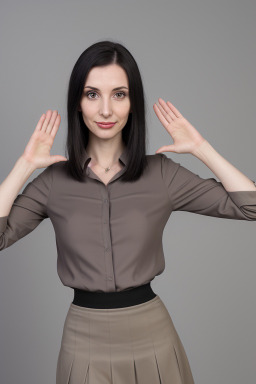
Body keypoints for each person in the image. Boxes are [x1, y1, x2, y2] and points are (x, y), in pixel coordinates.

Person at [0, 40, 256, 384]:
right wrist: (24, 165)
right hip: (83, 340)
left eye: (119, 94)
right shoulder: (53, 182)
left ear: (133, 103)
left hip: (152, 336)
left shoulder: (162, 174)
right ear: (77, 101)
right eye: (93, 94)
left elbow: (250, 206)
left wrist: (201, 148)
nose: (106, 110)